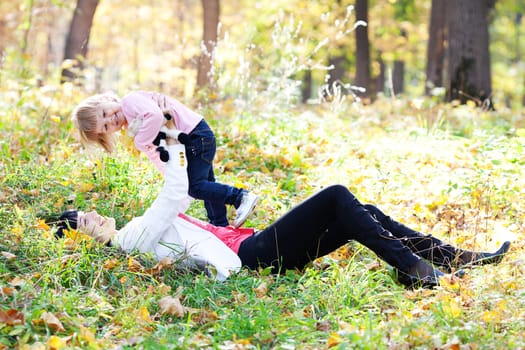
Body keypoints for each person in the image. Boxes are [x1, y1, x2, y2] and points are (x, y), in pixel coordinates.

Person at [50, 137, 511, 288]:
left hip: (252, 247)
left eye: (86, 211)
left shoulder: (135, 232)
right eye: (84, 221)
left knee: (360, 210)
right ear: (82, 240)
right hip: (254, 256)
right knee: (335, 194)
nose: (93, 215)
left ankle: (449, 257)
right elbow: (174, 195)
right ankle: (414, 267)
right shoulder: (131, 239)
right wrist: (167, 142)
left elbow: (191, 221)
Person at [71, 90, 258, 228]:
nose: (110, 120)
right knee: (207, 185)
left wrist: (140, 142)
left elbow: (155, 115)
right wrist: (172, 180)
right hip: (195, 138)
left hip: (195, 135)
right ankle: (221, 227)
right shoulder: (135, 125)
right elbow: (157, 157)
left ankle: (240, 197)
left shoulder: (129, 103)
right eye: (105, 127)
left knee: (196, 186)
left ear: (105, 100)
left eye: (105, 113)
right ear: (107, 135)